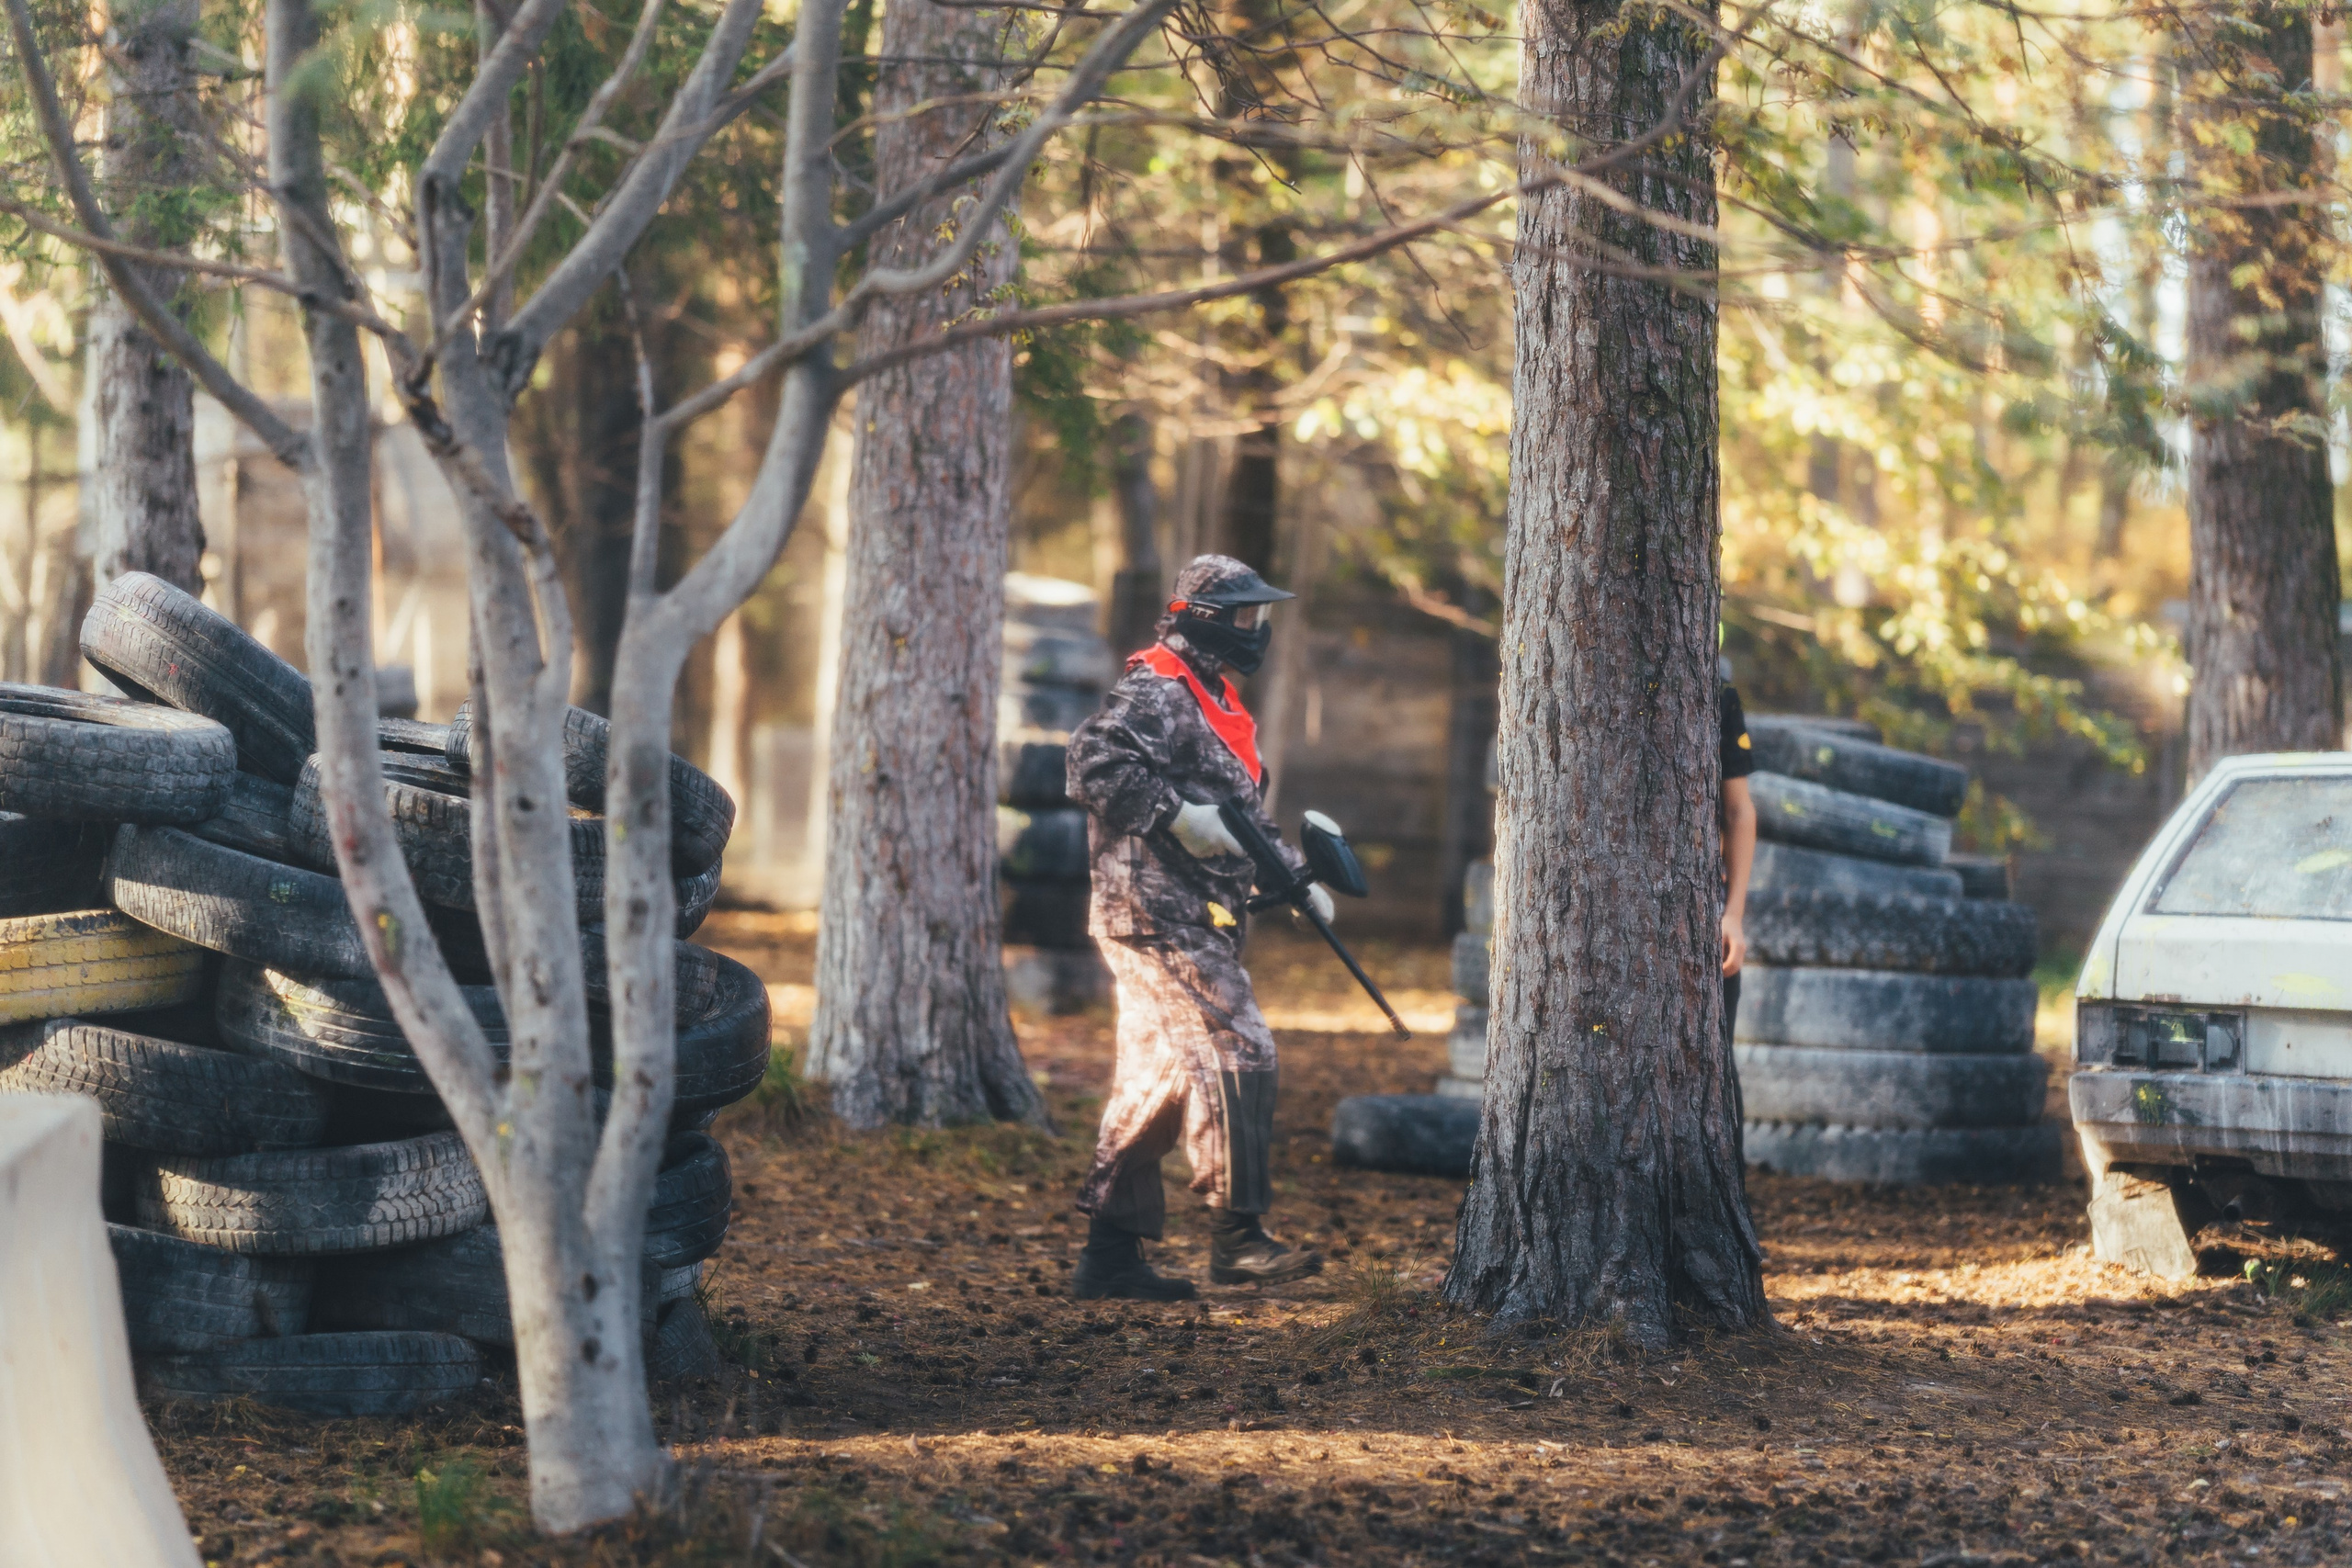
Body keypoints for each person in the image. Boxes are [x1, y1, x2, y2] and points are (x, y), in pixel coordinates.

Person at [1062, 554, 1332, 1301]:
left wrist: (1296, 880)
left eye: (1258, 616)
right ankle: (1238, 1239)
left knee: (1158, 1078)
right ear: (1206, 619)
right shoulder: (1159, 690)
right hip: (1152, 911)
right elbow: (1090, 759)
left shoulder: (1213, 697)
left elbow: (1239, 815)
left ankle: (1109, 1257)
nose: (1256, 630)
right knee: (1241, 1045)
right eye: (1245, 616)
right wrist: (1174, 815)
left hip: (1188, 913)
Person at [1720, 669, 1757, 1042]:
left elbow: (1739, 811)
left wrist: (1733, 915)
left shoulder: (1720, 698)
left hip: (1706, 910)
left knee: (1718, 1061)